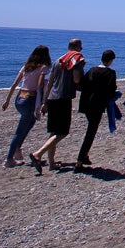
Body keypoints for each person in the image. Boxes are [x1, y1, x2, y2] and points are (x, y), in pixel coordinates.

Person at [29, 38, 85, 173]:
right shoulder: (77, 59)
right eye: (80, 46)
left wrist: (45, 101)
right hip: (63, 98)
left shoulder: (58, 60)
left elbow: (50, 82)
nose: (81, 49)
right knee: (63, 132)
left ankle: (52, 163)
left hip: (52, 98)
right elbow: (77, 79)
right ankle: (38, 154)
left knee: (54, 131)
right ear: (77, 47)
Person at [2, 45, 50, 168]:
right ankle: (9, 159)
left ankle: (18, 148)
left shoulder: (27, 67)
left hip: (20, 98)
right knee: (21, 129)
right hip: (30, 99)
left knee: (30, 122)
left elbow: (14, 84)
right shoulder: (43, 68)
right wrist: (43, 100)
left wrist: (7, 100)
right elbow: (39, 85)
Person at [75, 49, 118, 171]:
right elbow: (111, 90)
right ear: (110, 60)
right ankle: (79, 160)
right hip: (97, 105)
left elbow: (82, 84)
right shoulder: (110, 73)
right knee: (91, 131)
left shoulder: (92, 70)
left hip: (86, 103)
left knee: (91, 128)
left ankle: (84, 156)